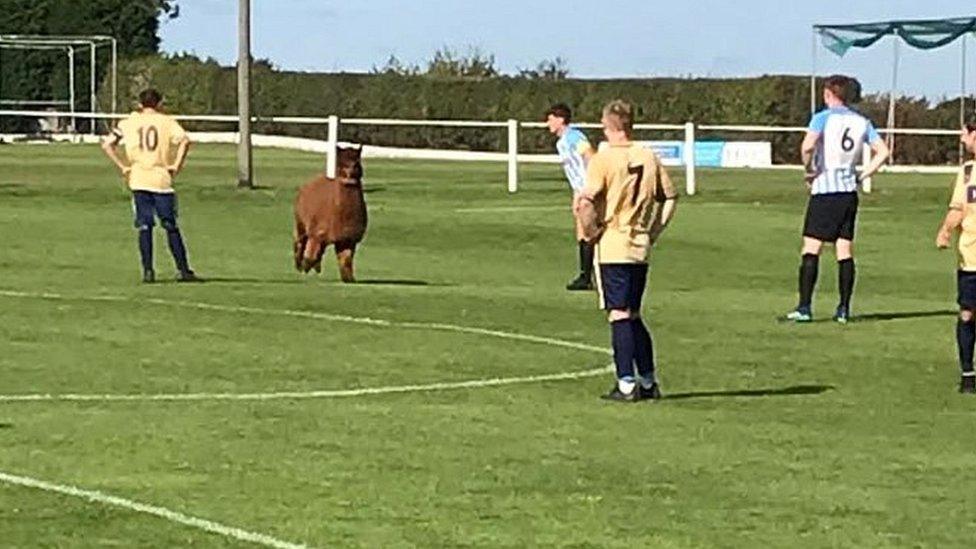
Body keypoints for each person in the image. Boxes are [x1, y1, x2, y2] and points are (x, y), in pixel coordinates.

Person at [577, 100, 678, 402]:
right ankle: (648, 381)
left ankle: (625, 383)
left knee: (618, 314)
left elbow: (586, 201)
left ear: (607, 126)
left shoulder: (604, 159)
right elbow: (670, 197)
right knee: (633, 314)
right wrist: (654, 230)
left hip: (614, 242)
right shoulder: (649, 156)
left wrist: (590, 232)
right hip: (640, 243)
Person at [786, 75, 889, 323]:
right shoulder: (862, 121)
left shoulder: (822, 118)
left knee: (812, 247)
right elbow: (883, 151)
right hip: (848, 191)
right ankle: (843, 308)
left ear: (830, 94)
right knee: (844, 249)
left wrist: (808, 168)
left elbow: (807, 146)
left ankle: (804, 307)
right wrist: (864, 173)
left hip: (825, 190)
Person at [101, 88, 199, 283]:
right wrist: (176, 165)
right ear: (160, 103)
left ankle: (148, 271)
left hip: (138, 179)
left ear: (140, 104)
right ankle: (183, 269)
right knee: (170, 225)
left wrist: (123, 166)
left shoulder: (129, 122)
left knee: (145, 226)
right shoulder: (167, 122)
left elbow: (107, 144)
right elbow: (185, 141)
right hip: (161, 179)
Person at [935, 122, 976, 394]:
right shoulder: (967, 173)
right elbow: (958, 208)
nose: (963, 140)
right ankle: (968, 374)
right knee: (967, 315)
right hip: (971, 257)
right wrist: (945, 230)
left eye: (965, 134)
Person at [546, 103, 596, 290]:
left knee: (589, 231)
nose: (547, 123)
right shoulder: (561, 142)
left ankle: (590, 275)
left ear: (560, 120)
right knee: (582, 231)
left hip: (589, 190)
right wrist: (576, 193)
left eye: (550, 119)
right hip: (581, 190)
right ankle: (586, 275)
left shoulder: (574, 136)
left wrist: (590, 187)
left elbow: (590, 156)